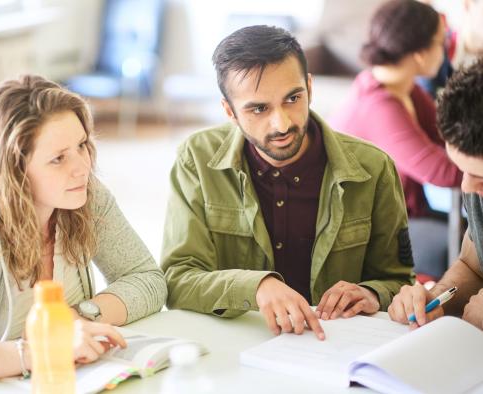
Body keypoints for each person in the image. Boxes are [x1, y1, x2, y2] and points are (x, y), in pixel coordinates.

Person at [0, 75, 167, 383]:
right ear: (13, 170)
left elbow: (148, 279)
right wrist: (39, 350)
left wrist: (76, 317)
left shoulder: (83, 196)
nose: (82, 167)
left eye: (82, 146)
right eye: (58, 158)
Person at [161, 25, 414, 340]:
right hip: (240, 345)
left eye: (293, 98)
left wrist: (373, 294)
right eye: (258, 108)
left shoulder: (374, 167)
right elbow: (177, 279)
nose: (281, 123)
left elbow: (400, 281)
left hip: (336, 347)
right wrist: (257, 287)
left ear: (310, 86)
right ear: (229, 111)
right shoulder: (196, 159)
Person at [330, 0, 462, 283]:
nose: (445, 49)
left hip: (405, 215)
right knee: (471, 242)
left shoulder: (403, 87)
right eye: (441, 42)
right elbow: (443, 171)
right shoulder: (379, 105)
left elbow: (448, 134)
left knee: (470, 231)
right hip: (370, 233)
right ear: (419, 53)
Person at [388, 59, 483, 331]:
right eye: (461, 169)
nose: (466, 187)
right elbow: (473, 266)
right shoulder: (474, 184)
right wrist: (437, 299)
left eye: (481, 177)